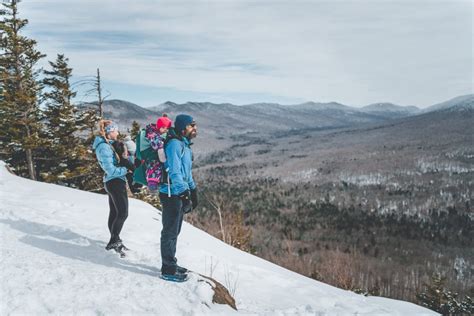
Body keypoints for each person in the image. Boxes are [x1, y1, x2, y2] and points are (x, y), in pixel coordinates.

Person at [159, 114, 198, 282]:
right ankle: (167, 269)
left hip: (178, 191)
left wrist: (193, 190)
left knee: (175, 231)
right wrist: (183, 193)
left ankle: (171, 262)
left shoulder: (184, 145)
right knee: (169, 231)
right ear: (183, 128)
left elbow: (186, 172)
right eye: (191, 126)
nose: (195, 129)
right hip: (170, 193)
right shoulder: (175, 144)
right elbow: (174, 171)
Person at [92, 120, 132, 255]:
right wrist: (126, 170)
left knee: (115, 213)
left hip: (113, 182)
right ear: (109, 132)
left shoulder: (107, 145)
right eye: (115, 130)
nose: (117, 132)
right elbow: (110, 169)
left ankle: (115, 240)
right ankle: (114, 241)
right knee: (123, 213)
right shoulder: (104, 147)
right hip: (114, 181)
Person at [145, 115, 172, 193]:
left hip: (154, 162)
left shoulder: (156, 133)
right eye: (163, 128)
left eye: (166, 128)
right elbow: (156, 145)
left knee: (156, 170)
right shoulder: (152, 134)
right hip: (152, 162)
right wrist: (161, 144)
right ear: (159, 126)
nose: (165, 130)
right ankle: (152, 187)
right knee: (153, 170)